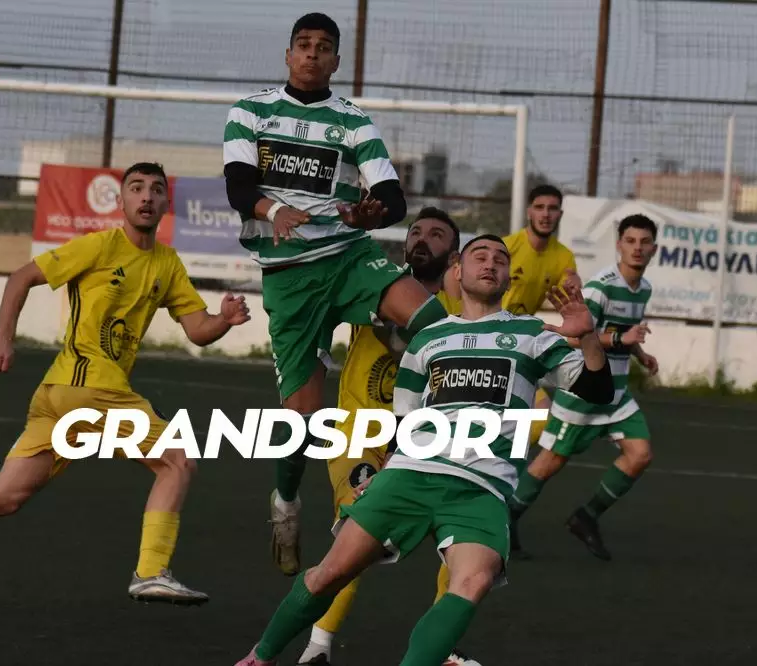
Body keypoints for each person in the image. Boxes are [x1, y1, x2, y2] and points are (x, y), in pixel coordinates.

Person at [0, 162, 251, 618]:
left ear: (165, 204)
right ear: (122, 201)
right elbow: (22, 277)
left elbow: (197, 329)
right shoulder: (100, 245)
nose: (146, 197)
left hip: (61, 398)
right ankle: (151, 570)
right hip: (90, 389)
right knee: (178, 460)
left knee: (4, 496)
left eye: (156, 190)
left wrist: (224, 320)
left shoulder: (167, 264)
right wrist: (3, 336)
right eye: (136, 188)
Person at [233, 234, 614, 666]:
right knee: (330, 573)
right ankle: (260, 657)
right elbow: (407, 422)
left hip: (481, 486)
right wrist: (383, 470)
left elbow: (598, 390)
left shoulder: (532, 334)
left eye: (500, 259)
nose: (491, 263)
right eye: (480, 256)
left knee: (473, 580)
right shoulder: (428, 339)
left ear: (509, 277)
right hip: (409, 474)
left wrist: (588, 338)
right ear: (458, 271)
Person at [223, 12, 449, 577]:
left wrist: (374, 212)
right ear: (288, 55)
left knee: (435, 322)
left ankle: (407, 433)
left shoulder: (353, 121)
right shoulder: (250, 111)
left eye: (324, 47)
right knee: (302, 423)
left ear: (337, 61)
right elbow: (238, 187)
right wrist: (275, 210)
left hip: (348, 257)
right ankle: (285, 505)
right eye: (304, 45)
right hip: (289, 277)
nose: (312, 54)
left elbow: (392, 196)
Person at [296, 207, 466, 666]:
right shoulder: (375, 285)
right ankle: (317, 647)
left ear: (453, 256)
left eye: (436, 234)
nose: (422, 239)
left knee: (461, 545)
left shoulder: (459, 316)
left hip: (422, 444)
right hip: (357, 437)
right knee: (357, 533)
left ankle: (441, 650)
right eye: (416, 232)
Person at [508, 214, 659, 562]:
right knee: (550, 461)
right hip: (584, 393)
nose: (637, 248)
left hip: (617, 394)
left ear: (654, 248)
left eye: (644, 242)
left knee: (640, 455)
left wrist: (639, 353)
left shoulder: (644, 288)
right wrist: (621, 339)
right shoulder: (600, 288)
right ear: (619, 245)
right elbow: (577, 337)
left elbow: (622, 330)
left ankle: (586, 517)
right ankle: (506, 517)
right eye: (630, 241)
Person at [498, 183, 579, 558]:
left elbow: (570, 284)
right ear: (529, 211)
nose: (546, 214)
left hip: (521, 349)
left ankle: (502, 501)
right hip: (490, 343)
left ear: (560, 214)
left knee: (542, 419)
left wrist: (574, 287)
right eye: (540, 207)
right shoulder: (507, 247)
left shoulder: (562, 256)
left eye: (553, 208)